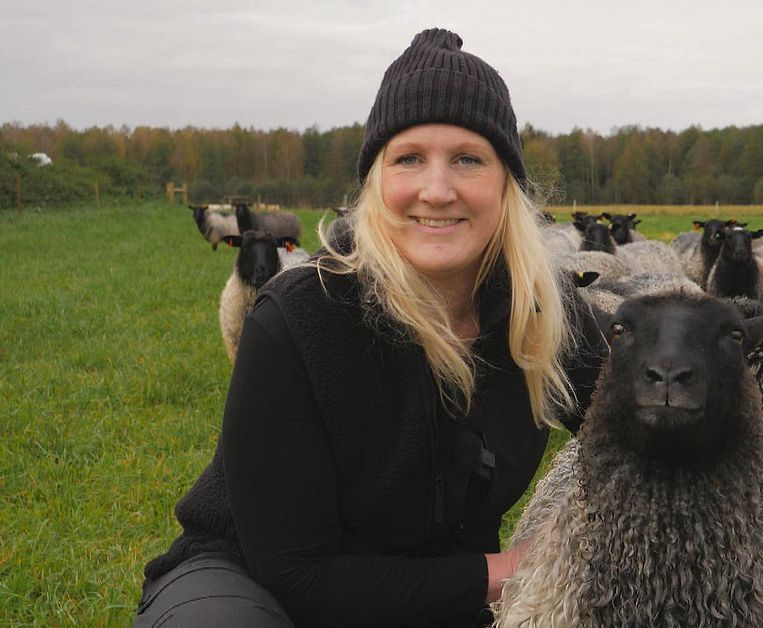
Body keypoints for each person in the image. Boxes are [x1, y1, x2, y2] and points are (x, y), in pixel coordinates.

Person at [135, 28, 607, 627]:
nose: (437, 191)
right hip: (249, 583)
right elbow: (299, 574)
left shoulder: (544, 314)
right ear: (375, 182)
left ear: (506, 182)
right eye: (409, 158)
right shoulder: (302, 318)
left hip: (437, 589)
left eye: (468, 158)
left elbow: (649, 402)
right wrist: (508, 570)